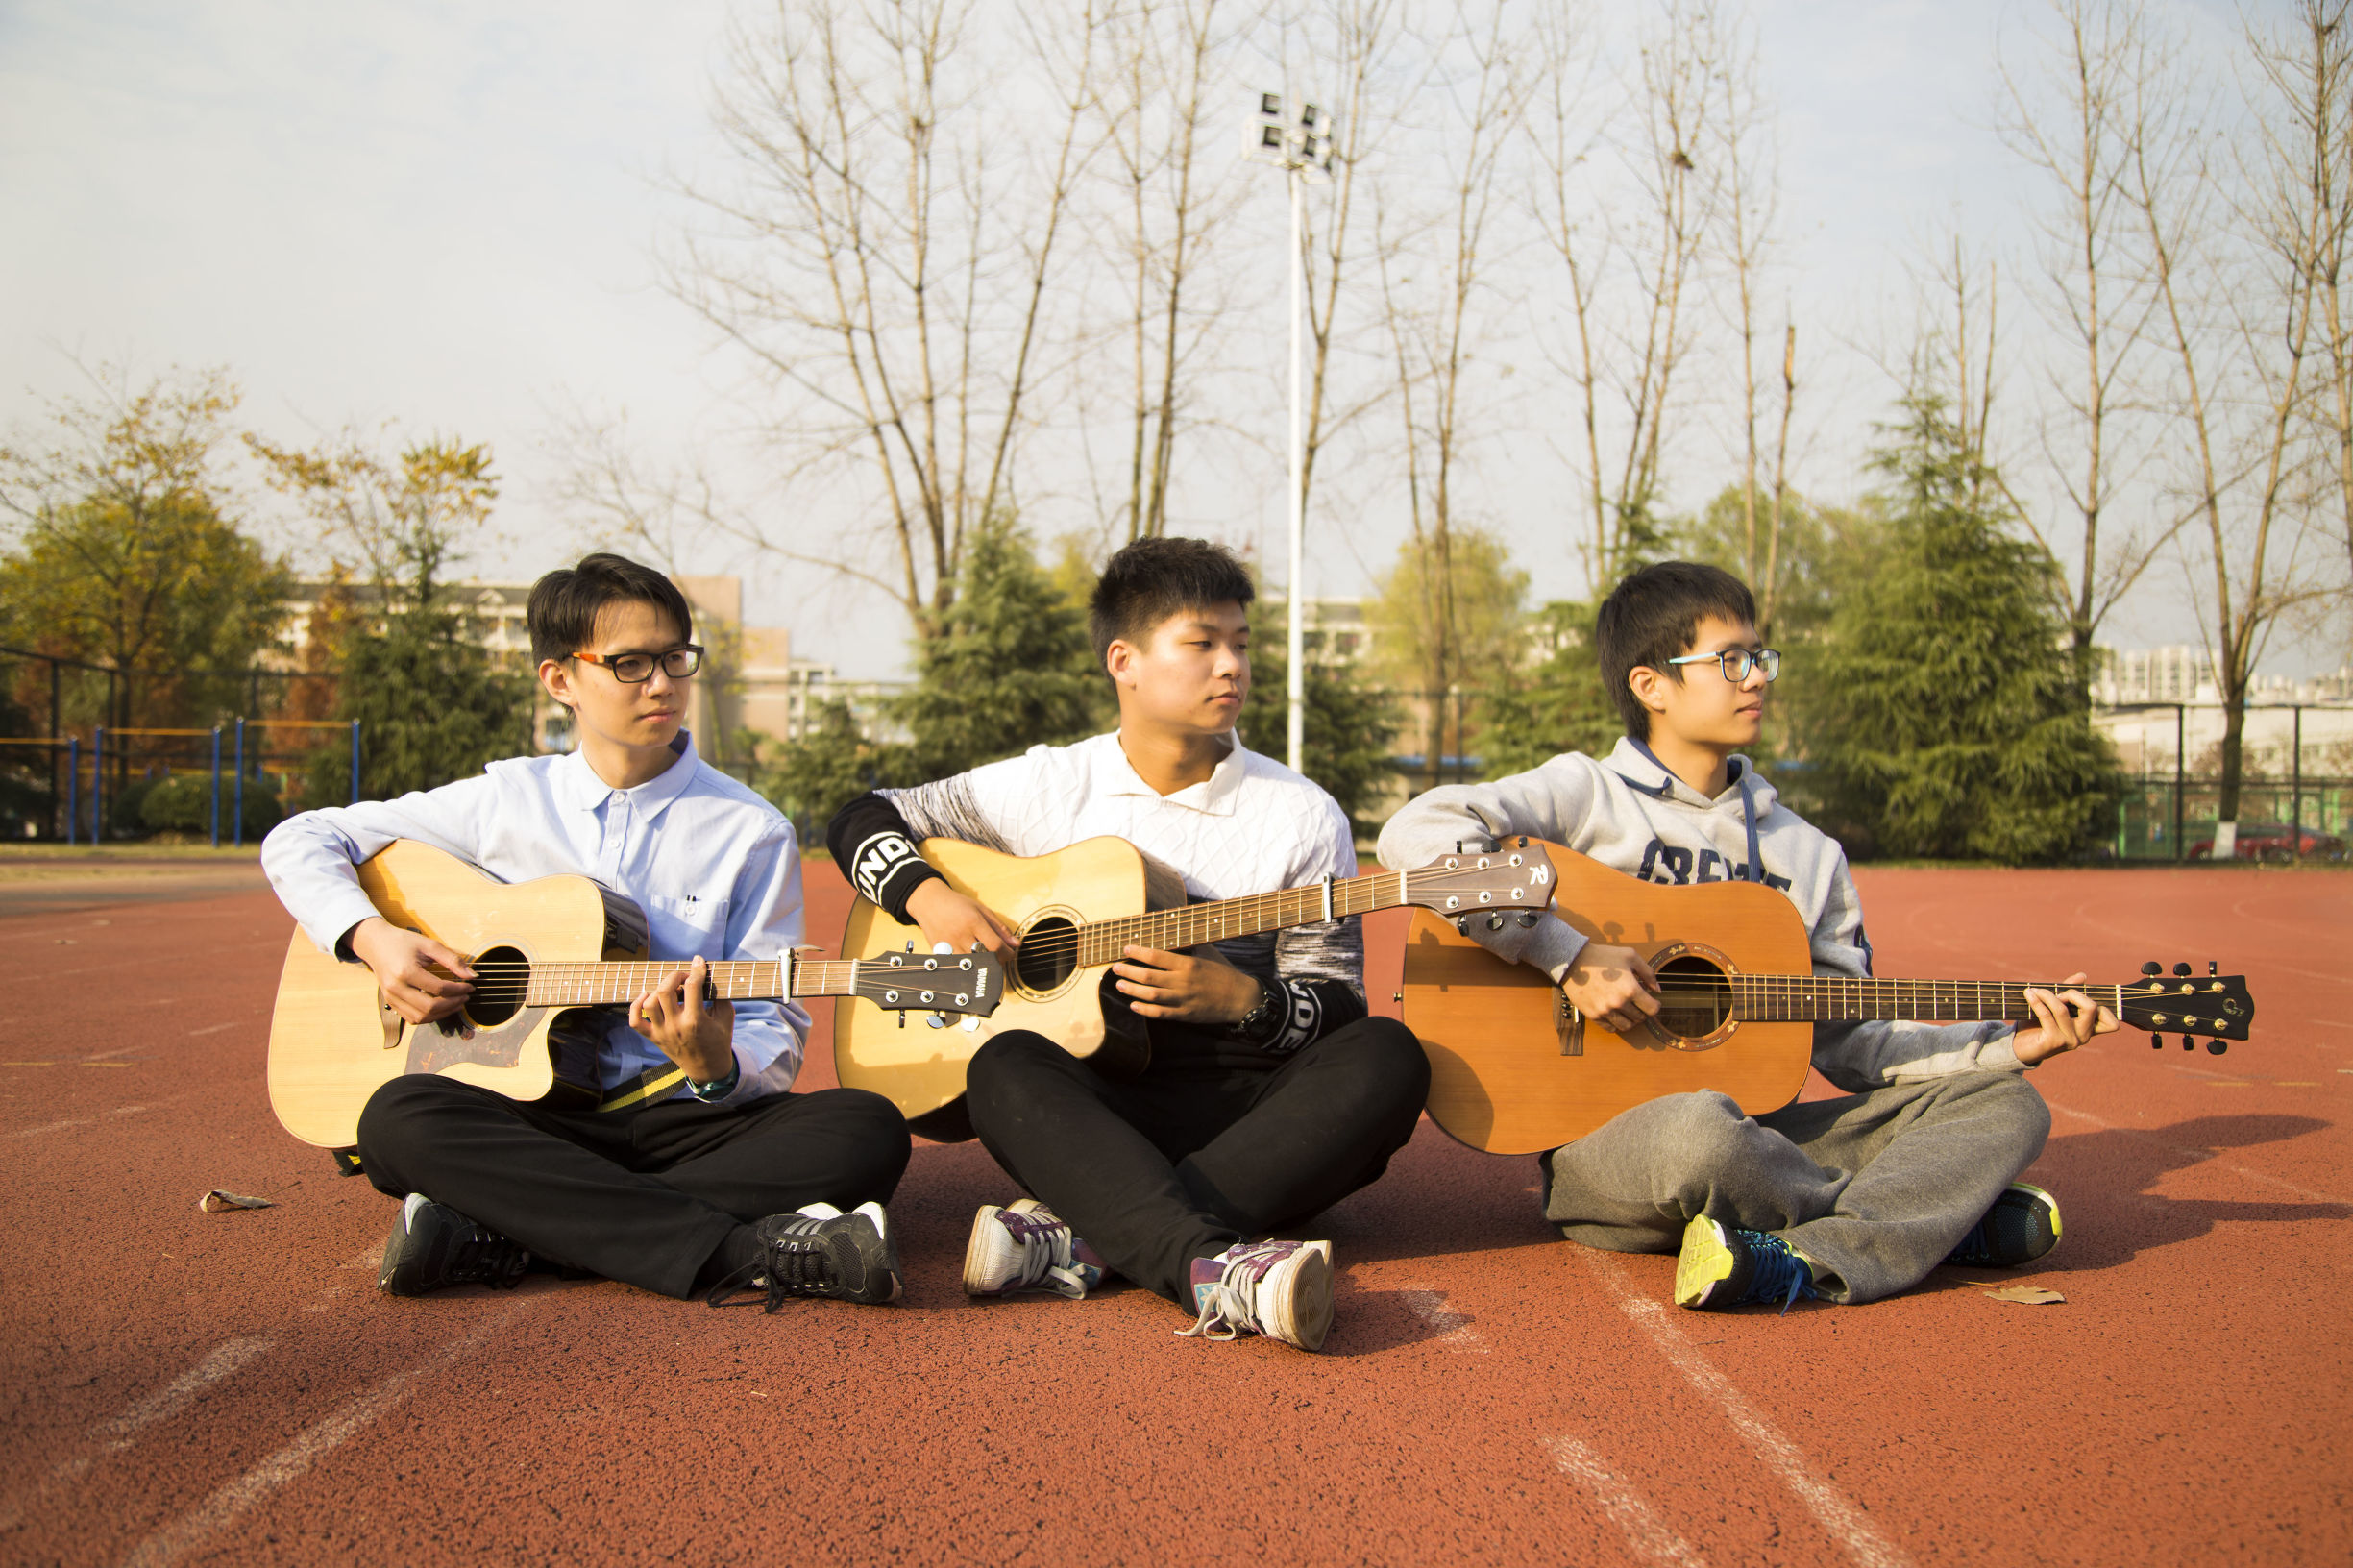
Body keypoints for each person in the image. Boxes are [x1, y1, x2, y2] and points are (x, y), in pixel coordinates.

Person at [1375, 560, 2116, 1311]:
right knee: (1703, 1129)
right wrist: (1567, 955)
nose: (1756, 678)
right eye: (1730, 661)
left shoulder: (1807, 854)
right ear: (1649, 685)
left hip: (1766, 1140)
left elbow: (1853, 1044)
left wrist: (2009, 1046)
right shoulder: (1583, 796)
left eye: (1760, 658)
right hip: (1618, 1149)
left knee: (2006, 1103)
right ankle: (1927, 1223)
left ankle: (1796, 1257)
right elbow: (1415, 833)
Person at [262, 553, 911, 1311]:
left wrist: (716, 1068)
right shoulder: (503, 801)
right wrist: (374, 938)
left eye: (675, 658)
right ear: (560, 679)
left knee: (865, 1129)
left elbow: (776, 1020)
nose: (663, 684)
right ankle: (743, 1248)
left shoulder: (750, 829)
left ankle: (508, 1229)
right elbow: (301, 838)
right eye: (630, 664)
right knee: (397, 1119)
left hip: (682, 1121)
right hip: (527, 1115)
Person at [826, 537, 1428, 1351]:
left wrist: (1246, 1003)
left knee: (1389, 1054)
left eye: (1241, 645)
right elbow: (864, 814)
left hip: (1250, 1112)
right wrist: (926, 894)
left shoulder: (1300, 813)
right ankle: (1209, 1266)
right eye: (1201, 644)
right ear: (1125, 660)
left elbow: (1335, 1003)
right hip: (1098, 1103)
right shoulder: (1044, 785)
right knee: (1001, 1064)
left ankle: (1092, 1235)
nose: (1231, 668)